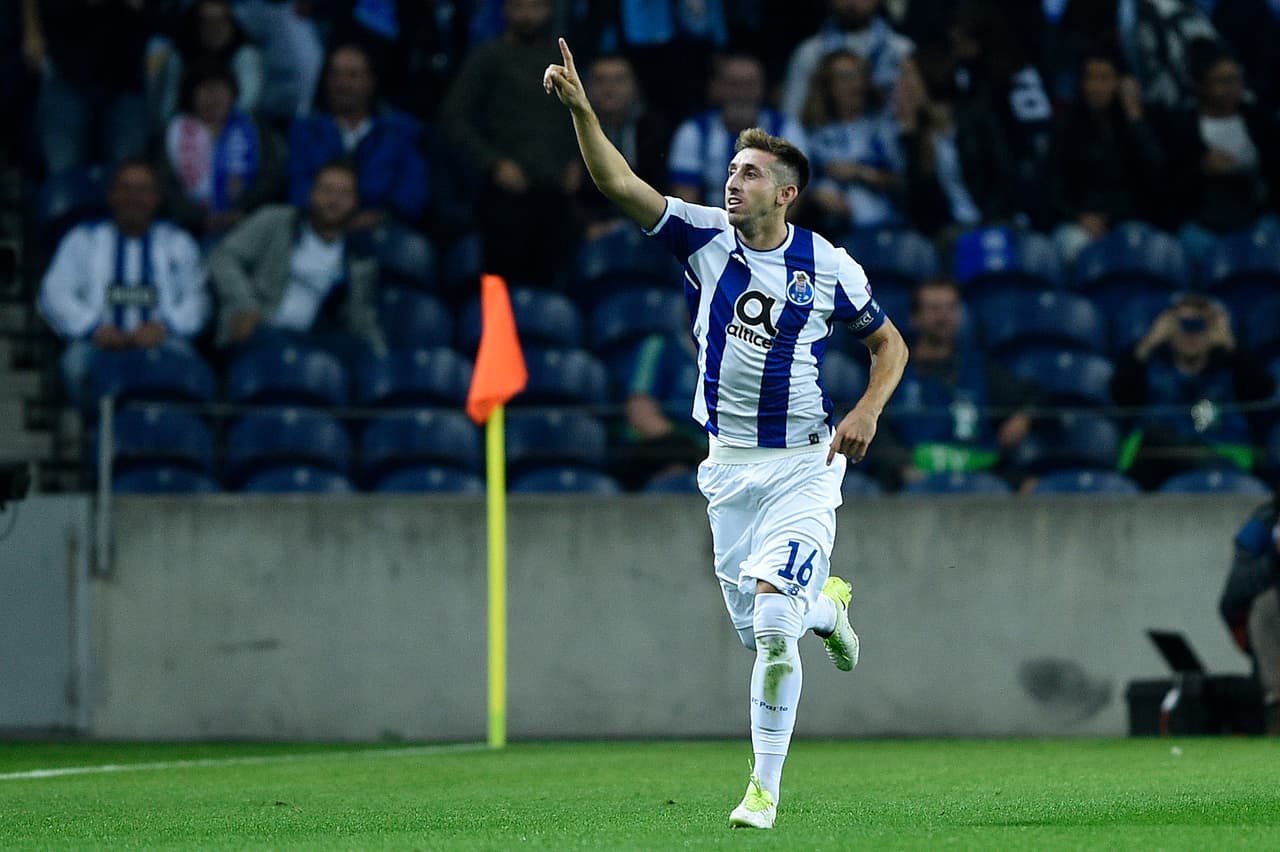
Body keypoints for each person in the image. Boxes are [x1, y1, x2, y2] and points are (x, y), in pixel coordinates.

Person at [545, 38, 909, 829]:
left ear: (786, 194)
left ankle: (763, 790)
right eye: (731, 172)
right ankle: (829, 610)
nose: (731, 183)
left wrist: (868, 409)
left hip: (805, 464)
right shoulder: (704, 237)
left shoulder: (830, 266)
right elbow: (616, 181)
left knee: (774, 624)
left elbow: (891, 344)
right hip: (728, 471)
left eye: (748, 174)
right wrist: (583, 111)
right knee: (765, 632)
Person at [37, 159, 209, 407]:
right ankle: (95, 433)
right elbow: (55, 293)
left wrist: (165, 327)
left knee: (189, 368)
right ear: (111, 195)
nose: (134, 198)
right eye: (125, 189)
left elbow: (199, 299)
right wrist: (94, 327)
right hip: (96, 344)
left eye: (143, 190)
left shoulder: (177, 242)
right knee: (74, 366)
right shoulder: (82, 239)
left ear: (156, 198)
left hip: (165, 342)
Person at [207, 160, 385, 362]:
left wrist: (382, 359)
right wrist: (244, 305)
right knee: (279, 346)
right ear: (312, 193)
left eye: (344, 193)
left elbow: (362, 319)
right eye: (327, 190)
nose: (334, 200)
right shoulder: (275, 221)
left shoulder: (359, 258)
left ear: (356, 202)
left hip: (314, 339)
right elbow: (223, 257)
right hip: (263, 326)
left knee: (361, 352)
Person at [877, 279, 1037, 490]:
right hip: (916, 476)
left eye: (951, 308)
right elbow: (874, 428)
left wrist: (1024, 418)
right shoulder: (894, 370)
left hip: (979, 473)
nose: (944, 317)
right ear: (914, 318)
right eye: (934, 309)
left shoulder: (980, 368)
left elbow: (1035, 395)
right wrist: (902, 466)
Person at [1111, 294, 1275, 491]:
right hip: (1157, 465)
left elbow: (1264, 392)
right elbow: (1120, 396)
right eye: (1183, 324)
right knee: (1154, 437)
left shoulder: (1230, 371)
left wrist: (1231, 345)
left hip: (1224, 462)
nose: (1191, 334)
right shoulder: (1152, 370)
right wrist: (1149, 342)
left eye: (1199, 325)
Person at [288, 42, 428, 231]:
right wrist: (329, 215)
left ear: (371, 81)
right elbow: (297, 184)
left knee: (415, 254)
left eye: (353, 75)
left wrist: (383, 215)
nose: (342, 83)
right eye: (335, 74)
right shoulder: (306, 129)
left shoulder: (399, 130)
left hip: (381, 225)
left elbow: (412, 188)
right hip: (316, 223)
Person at [1047, 51, 1167, 264]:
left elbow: (1157, 174)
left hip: (1128, 220)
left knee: (1145, 250)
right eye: (1090, 78)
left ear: (1119, 82)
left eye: (1104, 79)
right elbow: (1053, 187)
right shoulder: (1066, 126)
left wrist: (1135, 118)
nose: (1095, 87)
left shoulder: (1137, 121)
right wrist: (1079, 216)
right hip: (1080, 221)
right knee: (1071, 245)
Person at [158, 66, 284, 242]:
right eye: (204, 89)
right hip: (189, 231)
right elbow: (166, 185)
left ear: (233, 92)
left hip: (250, 224)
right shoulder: (173, 131)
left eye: (219, 88)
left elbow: (271, 174)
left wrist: (245, 210)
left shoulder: (253, 127)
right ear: (189, 95)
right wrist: (199, 218)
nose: (213, 97)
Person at [667, 54, 805, 208]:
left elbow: (793, 199)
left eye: (749, 84)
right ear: (716, 87)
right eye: (733, 84)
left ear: (763, 88)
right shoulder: (693, 132)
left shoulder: (786, 130)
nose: (741, 93)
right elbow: (686, 198)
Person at [798, 50, 904, 234]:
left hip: (888, 228)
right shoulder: (811, 134)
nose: (854, 85)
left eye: (859, 76)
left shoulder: (882, 127)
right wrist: (815, 195)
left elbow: (902, 182)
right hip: (832, 233)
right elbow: (798, 184)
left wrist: (861, 173)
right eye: (844, 78)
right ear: (827, 86)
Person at [780, 0, 915, 120]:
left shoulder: (902, 51)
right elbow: (791, 120)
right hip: (822, 145)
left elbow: (918, 117)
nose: (852, 2)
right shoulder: (809, 53)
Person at [147, 0, 265, 130]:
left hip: (232, 130)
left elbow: (247, 103)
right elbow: (167, 108)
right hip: (187, 129)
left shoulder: (245, 54)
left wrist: (219, 128)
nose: (215, 29)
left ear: (230, 22)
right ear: (197, 25)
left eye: (220, 21)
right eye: (207, 23)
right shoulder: (179, 54)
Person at [1219, 486, 1280, 735]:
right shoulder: (1263, 525)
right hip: (1273, 637)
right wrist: (1274, 560)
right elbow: (1233, 595)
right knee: (1266, 605)